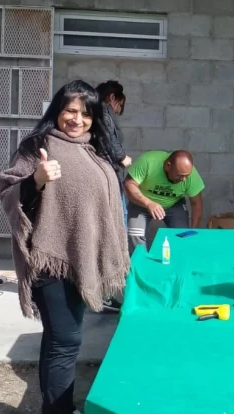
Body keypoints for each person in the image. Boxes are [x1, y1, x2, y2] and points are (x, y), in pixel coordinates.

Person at [0, 80, 129, 414]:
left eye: (85, 113)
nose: (77, 119)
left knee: (58, 341)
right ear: (57, 109)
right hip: (49, 262)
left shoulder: (94, 148)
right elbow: (7, 191)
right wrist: (36, 180)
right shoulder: (37, 146)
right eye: (70, 110)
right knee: (65, 343)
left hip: (80, 262)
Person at [124, 150, 205, 254]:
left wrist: (193, 230)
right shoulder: (148, 162)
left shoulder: (191, 175)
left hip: (173, 204)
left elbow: (196, 203)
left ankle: (176, 264)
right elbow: (129, 184)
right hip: (142, 202)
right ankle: (141, 264)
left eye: (186, 176)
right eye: (180, 175)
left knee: (182, 236)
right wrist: (148, 203)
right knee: (134, 234)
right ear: (168, 166)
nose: (184, 179)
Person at [96, 80, 131, 312]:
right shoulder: (101, 111)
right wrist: (122, 158)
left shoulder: (93, 111)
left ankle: (104, 291)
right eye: (119, 105)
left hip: (104, 177)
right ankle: (106, 294)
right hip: (107, 177)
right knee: (114, 233)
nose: (118, 111)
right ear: (112, 98)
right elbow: (109, 141)